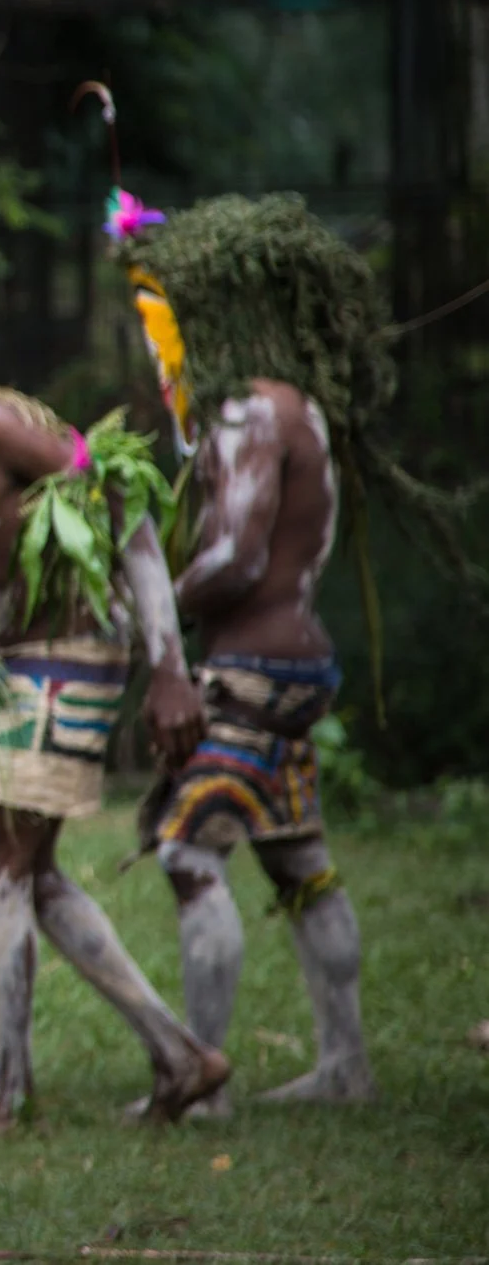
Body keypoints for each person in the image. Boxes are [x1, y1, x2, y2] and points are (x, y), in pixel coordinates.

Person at [114, 191, 451, 1108]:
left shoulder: (250, 412)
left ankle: (202, 1078)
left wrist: (150, 603)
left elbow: (235, 553)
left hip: (252, 676)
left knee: (190, 855)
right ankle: (346, 1063)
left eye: (164, 318)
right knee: (297, 857)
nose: (157, 347)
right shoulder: (296, 406)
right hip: (297, 666)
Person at [0, 336, 228, 1129]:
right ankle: (182, 1056)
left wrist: (171, 665)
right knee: (30, 872)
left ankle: (4, 1094)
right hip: (19, 666)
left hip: (66, 656)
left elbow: (121, 503)